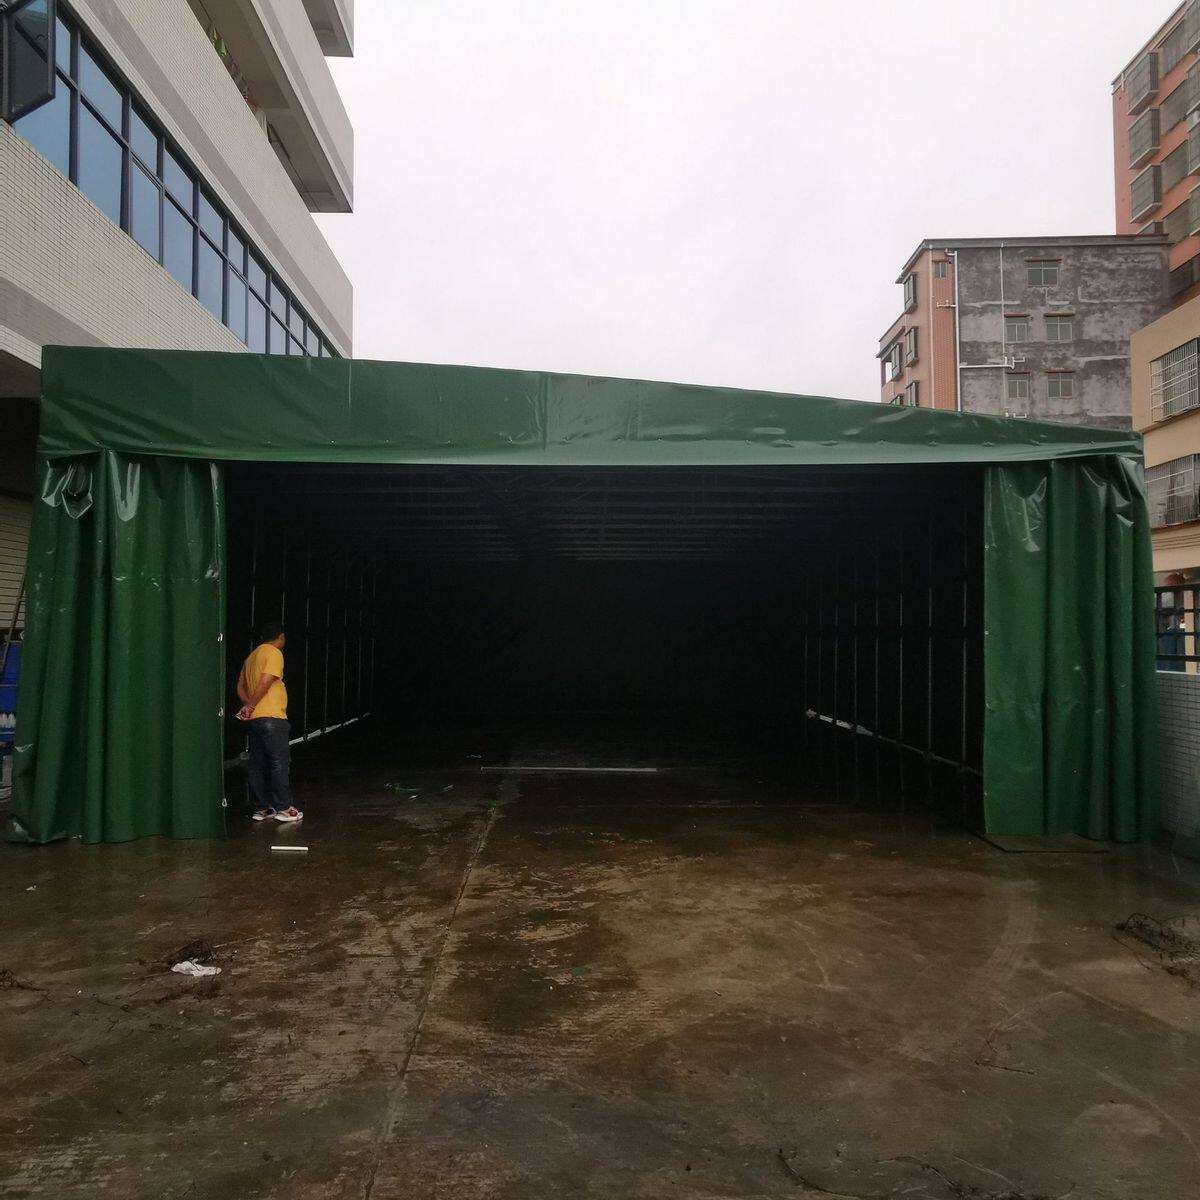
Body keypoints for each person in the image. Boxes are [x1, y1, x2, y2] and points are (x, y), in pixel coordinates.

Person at [236, 620, 302, 823]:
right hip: (272, 717)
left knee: (257, 763)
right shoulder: (273, 653)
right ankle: (284, 808)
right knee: (278, 762)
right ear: (281, 637)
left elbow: (239, 686)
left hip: (255, 720)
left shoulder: (251, 657)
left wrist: (248, 706)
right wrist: (251, 705)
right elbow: (267, 680)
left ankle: (263, 807)